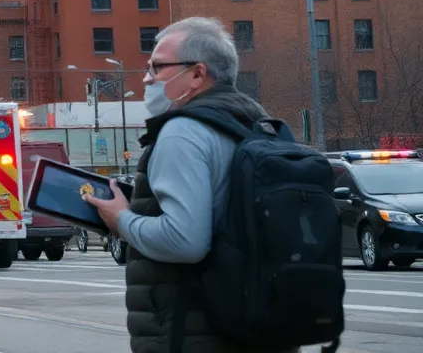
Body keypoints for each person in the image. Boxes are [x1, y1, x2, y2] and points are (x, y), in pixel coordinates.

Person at [85, 17, 294, 353]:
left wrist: (122, 220)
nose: (147, 78)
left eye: (157, 67)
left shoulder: (182, 132)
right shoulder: (256, 123)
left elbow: (185, 241)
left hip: (193, 331)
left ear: (197, 74)